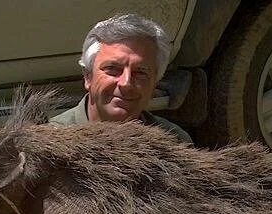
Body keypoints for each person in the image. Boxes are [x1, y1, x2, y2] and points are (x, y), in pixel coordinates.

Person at [49, 13, 192, 144]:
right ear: (87, 77)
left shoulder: (174, 143)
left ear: (155, 83)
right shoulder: (50, 144)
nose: (126, 83)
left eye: (140, 72)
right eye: (112, 69)